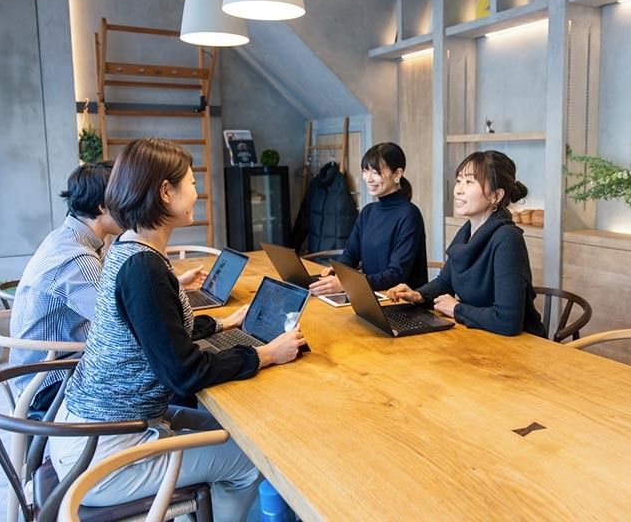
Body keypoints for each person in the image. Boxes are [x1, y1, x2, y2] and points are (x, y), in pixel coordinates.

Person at [50, 137, 306, 519]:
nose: (197, 193)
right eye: (192, 182)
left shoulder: (127, 247)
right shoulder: (145, 267)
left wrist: (221, 325)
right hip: (104, 456)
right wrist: (265, 354)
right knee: (251, 458)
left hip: (98, 428)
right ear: (165, 192)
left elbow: (159, 330)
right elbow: (185, 373)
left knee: (237, 432)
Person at [387, 150, 545, 337]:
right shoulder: (467, 231)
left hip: (520, 347)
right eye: (459, 180)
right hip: (480, 337)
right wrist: (419, 295)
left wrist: (456, 309)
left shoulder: (507, 239)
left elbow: (507, 321)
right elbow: (446, 281)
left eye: (469, 182)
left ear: (496, 195)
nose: (458, 189)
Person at [9, 161, 121, 416]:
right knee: (160, 373)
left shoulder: (69, 238)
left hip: (43, 370)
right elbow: (117, 323)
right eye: (123, 199)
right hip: (51, 382)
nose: (131, 207)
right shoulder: (75, 257)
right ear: (103, 206)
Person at [309, 142, 428, 295]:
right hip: (370, 295)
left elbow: (396, 275)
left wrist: (349, 284)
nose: (368, 179)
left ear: (397, 174)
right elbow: (351, 255)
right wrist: (338, 270)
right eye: (366, 171)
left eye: (376, 172)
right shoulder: (368, 212)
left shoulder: (409, 215)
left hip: (400, 302)